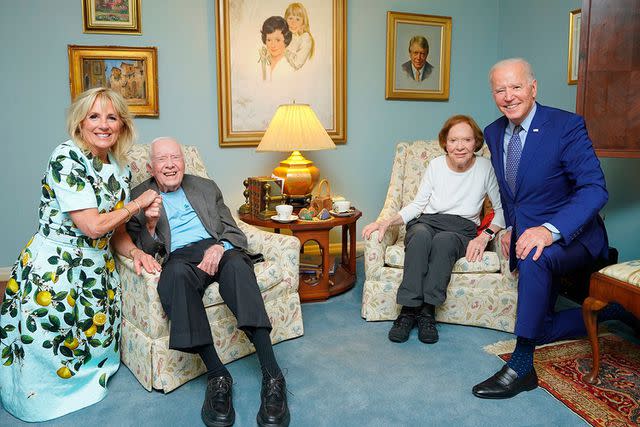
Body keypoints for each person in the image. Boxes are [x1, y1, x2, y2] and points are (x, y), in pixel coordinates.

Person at [471, 58, 628, 399]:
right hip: (527, 234)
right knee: (540, 326)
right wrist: (511, 227)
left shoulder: (566, 126)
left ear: (533, 88)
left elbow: (594, 189)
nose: (508, 96)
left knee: (535, 257)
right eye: (500, 89)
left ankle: (521, 366)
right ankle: (611, 312)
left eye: (515, 87)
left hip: (575, 236)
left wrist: (549, 230)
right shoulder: (494, 132)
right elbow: (513, 194)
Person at [0, 87, 160, 422]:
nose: (104, 124)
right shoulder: (66, 157)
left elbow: (115, 233)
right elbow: (91, 226)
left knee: (89, 341)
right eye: (95, 116)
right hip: (56, 268)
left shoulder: (121, 168)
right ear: (81, 123)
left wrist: (135, 254)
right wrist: (137, 204)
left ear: (122, 127)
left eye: (112, 117)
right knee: (48, 340)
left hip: (97, 270)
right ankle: (35, 399)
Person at [126, 137, 289, 427]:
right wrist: (150, 226)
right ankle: (217, 374)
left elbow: (233, 230)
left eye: (175, 157)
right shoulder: (138, 198)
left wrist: (221, 246)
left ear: (183, 161)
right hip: (178, 258)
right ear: (151, 167)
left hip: (216, 247)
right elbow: (148, 253)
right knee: (173, 277)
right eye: (162, 160)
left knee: (239, 266)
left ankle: (272, 374)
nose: (170, 164)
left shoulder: (204, 186)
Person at [362, 115, 505, 344]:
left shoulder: (485, 167)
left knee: (444, 242)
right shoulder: (436, 165)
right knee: (418, 236)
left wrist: (485, 236)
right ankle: (408, 311)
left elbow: (501, 209)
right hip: (428, 221)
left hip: (461, 228)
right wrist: (386, 222)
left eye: (466, 140)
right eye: (454, 140)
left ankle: (428, 312)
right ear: (445, 143)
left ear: (476, 143)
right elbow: (418, 204)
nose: (460, 146)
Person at [258, 16, 294, 82]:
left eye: (277, 40)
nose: (273, 45)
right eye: (269, 40)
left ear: (286, 40)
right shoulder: (263, 63)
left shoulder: (290, 66)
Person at [284, 2, 315, 70]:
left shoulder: (305, 38)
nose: (293, 22)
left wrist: (283, 51)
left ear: (303, 22)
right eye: (290, 18)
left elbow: (297, 64)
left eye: (297, 19)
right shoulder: (286, 36)